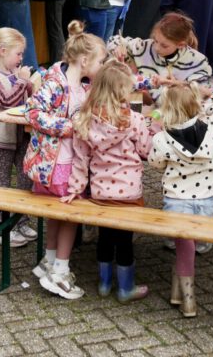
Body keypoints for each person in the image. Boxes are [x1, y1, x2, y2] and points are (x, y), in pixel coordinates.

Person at [23, 21, 107, 299]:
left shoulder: (82, 83)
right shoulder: (56, 82)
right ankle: (59, 271)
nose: (101, 66)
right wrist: (70, 128)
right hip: (58, 164)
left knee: (58, 213)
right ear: (84, 61)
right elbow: (33, 113)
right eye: (100, 61)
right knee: (70, 215)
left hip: (64, 161)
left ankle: (50, 261)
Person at [63, 60, 153, 302]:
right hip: (129, 193)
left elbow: (80, 160)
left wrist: (75, 188)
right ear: (120, 91)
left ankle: (104, 284)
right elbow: (147, 150)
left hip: (101, 192)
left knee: (105, 237)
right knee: (124, 240)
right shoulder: (133, 120)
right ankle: (125, 288)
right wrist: (154, 130)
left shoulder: (85, 121)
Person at [147, 82, 213, 317]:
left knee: (183, 248)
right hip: (205, 199)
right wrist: (208, 100)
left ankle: (189, 301)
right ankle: (177, 293)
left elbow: (155, 163)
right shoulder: (212, 128)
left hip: (176, 200)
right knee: (189, 247)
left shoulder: (162, 138)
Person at [0, 27, 38, 248]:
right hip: (1, 139)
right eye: (18, 53)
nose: (21, 58)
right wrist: (22, 82)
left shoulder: (14, 74)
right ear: (2, 51)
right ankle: (5, 229)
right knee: (3, 183)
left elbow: (25, 99)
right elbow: (7, 102)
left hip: (21, 136)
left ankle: (21, 221)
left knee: (25, 178)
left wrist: (31, 84)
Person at [108, 13, 213, 105]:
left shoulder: (197, 61)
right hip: (145, 109)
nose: (156, 48)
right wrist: (117, 48)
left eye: (164, 45)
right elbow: (114, 40)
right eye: (155, 40)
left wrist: (176, 84)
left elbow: (206, 92)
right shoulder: (145, 47)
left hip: (177, 112)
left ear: (180, 45)